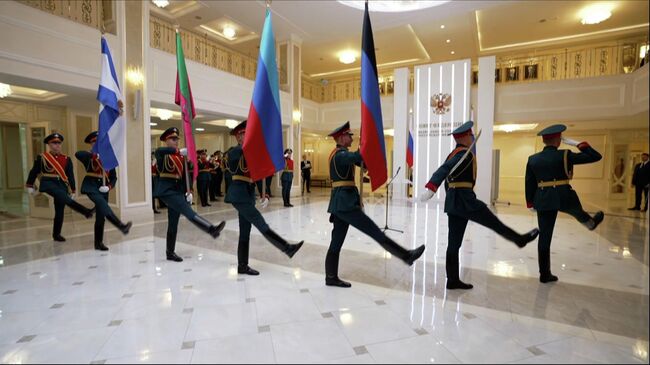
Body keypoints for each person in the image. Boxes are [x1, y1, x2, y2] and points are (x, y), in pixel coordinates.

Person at [422, 121, 539, 290]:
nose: (471, 138)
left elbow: (450, 180)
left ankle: (453, 279)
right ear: (463, 137)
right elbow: (444, 169)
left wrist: (450, 196)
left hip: (455, 202)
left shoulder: (455, 153)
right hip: (467, 201)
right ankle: (519, 239)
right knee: (494, 222)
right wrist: (431, 187)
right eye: (470, 135)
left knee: (454, 244)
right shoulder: (462, 153)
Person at [326, 121, 425, 288]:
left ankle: (330, 277)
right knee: (374, 231)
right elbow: (358, 157)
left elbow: (361, 161)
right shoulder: (340, 155)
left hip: (342, 203)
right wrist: (367, 141)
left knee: (336, 242)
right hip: (345, 204)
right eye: (350, 136)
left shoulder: (340, 154)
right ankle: (406, 256)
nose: (352, 138)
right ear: (342, 138)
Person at [525, 124, 604, 283]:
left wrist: (530, 202)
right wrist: (577, 144)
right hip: (563, 195)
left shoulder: (533, 159)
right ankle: (590, 223)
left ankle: (544, 274)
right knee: (578, 212)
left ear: (544, 141)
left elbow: (529, 182)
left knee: (544, 237)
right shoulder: (565, 155)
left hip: (543, 197)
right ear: (559, 140)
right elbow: (596, 156)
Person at [224, 120, 303, 275]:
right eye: (246, 133)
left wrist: (264, 193)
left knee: (245, 232)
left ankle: (242, 266)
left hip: (247, 194)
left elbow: (257, 175)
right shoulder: (234, 152)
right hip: (238, 195)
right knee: (261, 223)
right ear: (239, 136)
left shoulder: (250, 153)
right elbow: (236, 156)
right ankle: (287, 248)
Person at [154, 127, 226, 262]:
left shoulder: (181, 157)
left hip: (177, 191)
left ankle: (170, 252)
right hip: (166, 191)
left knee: (173, 223)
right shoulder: (161, 153)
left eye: (177, 139)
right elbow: (161, 151)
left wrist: (189, 190)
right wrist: (178, 151)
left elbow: (183, 176)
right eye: (173, 139)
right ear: (166, 140)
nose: (176, 141)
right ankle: (211, 229)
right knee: (189, 212)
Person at [25, 132, 95, 242]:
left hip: (62, 184)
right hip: (48, 183)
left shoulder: (66, 159)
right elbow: (34, 172)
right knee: (62, 196)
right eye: (54, 143)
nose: (57, 145)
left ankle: (56, 234)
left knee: (60, 210)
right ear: (49, 144)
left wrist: (72, 190)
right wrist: (29, 184)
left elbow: (70, 175)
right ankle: (85, 211)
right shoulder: (42, 157)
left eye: (59, 143)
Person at [75, 131, 132, 251]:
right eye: (94, 142)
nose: (97, 144)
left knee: (101, 217)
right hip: (91, 186)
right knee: (103, 205)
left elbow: (113, 177)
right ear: (91, 144)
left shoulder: (108, 158)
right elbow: (78, 154)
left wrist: (109, 187)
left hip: (103, 188)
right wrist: (94, 155)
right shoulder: (88, 156)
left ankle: (98, 243)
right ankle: (121, 226)